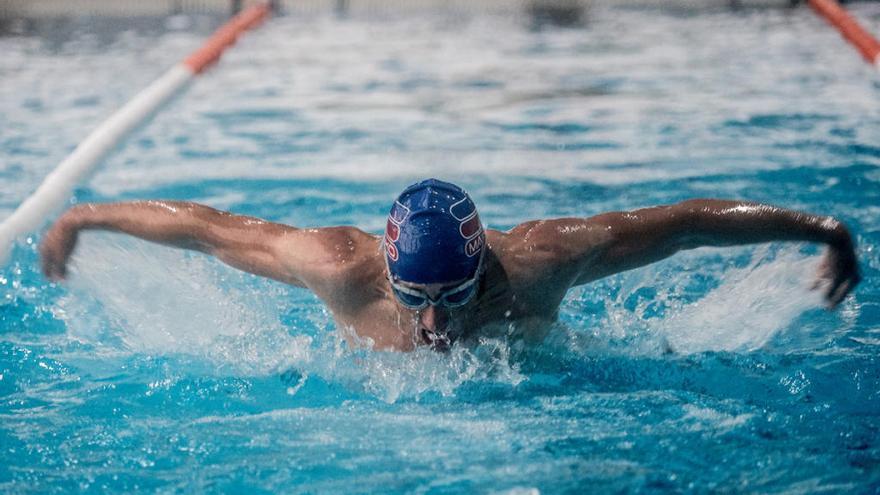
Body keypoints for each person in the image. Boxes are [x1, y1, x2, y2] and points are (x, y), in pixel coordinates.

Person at [39, 179, 860, 352]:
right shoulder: (340, 267)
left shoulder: (540, 261)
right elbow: (210, 230)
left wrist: (819, 228)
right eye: (416, 297)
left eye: (456, 295)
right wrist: (86, 214)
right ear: (385, 272)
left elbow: (681, 224)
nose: (435, 323)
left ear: (486, 268)